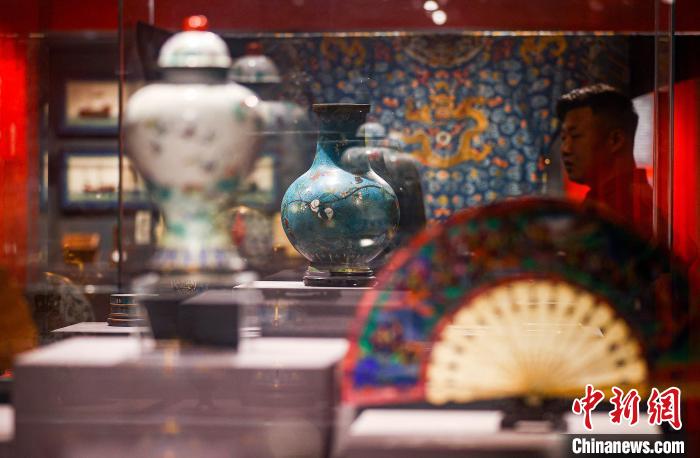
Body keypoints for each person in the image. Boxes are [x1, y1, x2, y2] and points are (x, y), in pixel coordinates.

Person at [556, 84, 653, 238]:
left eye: (575, 136)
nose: (565, 149)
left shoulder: (625, 209)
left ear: (615, 140)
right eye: (563, 138)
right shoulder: (606, 201)